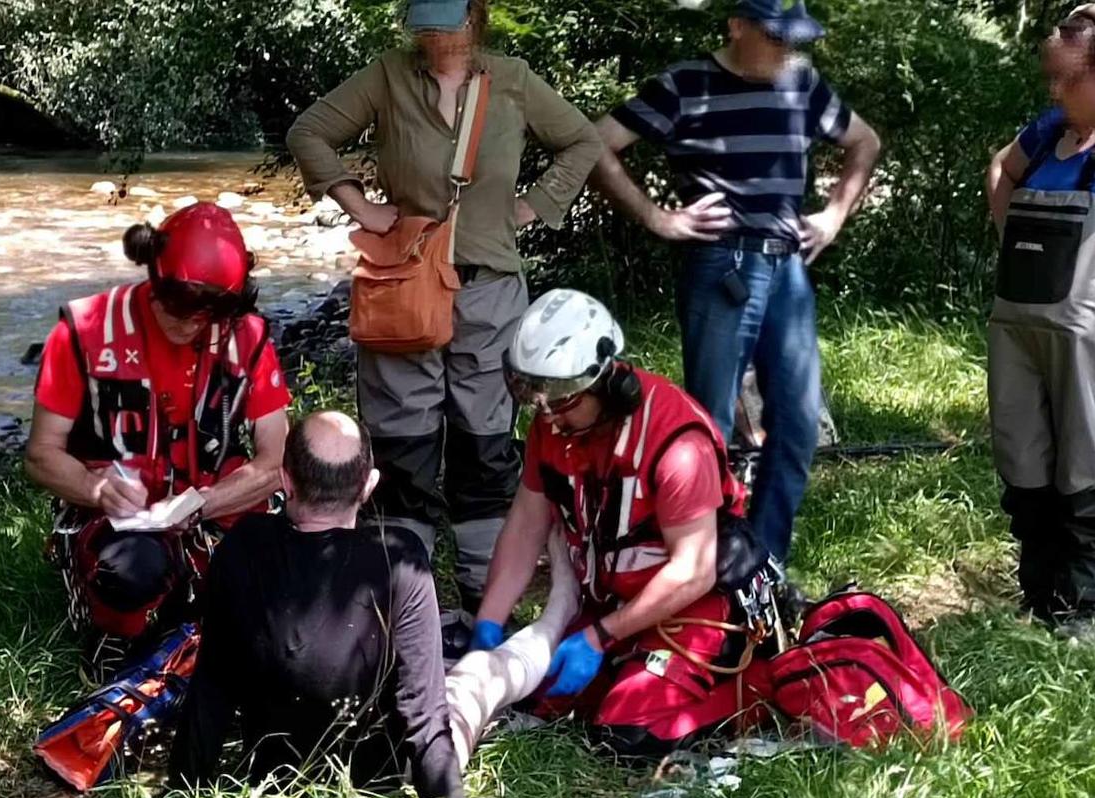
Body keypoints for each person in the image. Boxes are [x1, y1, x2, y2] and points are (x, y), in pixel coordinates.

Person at [287, 0, 603, 650]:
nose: (435, 37)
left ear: (475, 17)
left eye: (447, 22)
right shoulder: (386, 75)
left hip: (489, 293)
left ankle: (486, 614)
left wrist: (535, 205)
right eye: (424, 24)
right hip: (404, 286)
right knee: (402, 450)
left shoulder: (512, 78)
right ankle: (406, 610)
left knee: (485, 446)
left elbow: (582, 140)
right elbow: (309, 132)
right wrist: (363, 208)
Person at [589, 0, 881, 565]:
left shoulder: (802, 83)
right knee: (708, 430)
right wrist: (656, 216)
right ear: (737, 26)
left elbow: (863, 141)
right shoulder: (685, 84)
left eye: (791, 37)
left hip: (787, 271)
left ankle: (761, 564)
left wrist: (833, 215)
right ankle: (705, 564)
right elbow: (596, 142)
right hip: (720, 268)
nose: (784, 48)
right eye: (773, 35)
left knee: (796, 425)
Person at [470, 289, 770, 756]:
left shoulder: (676, 442)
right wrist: (488, 623)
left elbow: (694, 569)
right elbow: (526, 524)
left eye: (562, 401)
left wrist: (600, 636)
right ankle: (619, 665)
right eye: (537, 398)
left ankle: (759, 686)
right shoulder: (557, 425)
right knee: (534, 701)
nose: (547, 415)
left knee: (626, 734)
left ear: (606, 385)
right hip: (613, 601)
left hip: (691, 605)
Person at [168, 411, 474, 798]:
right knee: (474, 685)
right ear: (369, 486)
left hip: (271, 775)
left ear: (285, 481)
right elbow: (423, 712)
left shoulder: (244, 546)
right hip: (374, 781)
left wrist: (181, 795)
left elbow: (212, 688)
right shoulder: (398, 560)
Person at [25, 202, 290, 675]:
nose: (189, 326)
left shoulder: (248, 337)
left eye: (206, 316)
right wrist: (97, 490)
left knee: (290, 564)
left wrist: (200, 504)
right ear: (153, 277)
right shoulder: (84, 332)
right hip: (120, 524)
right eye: (177, 309)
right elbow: (41, 455)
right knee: (133, 572)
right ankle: (114, 632)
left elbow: (275, 461)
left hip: (215, 513)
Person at [986, 4, 1095, 636]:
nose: (1055, 91)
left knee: (1085, 463)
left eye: (1069, 77)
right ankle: (1040, 593)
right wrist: (1013, 239)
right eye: (1049, 77)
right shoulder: (1049, 129)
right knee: (1023, 455)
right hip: (1019, 320)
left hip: (1084, 333)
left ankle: (1084, 607)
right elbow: (999, 168)